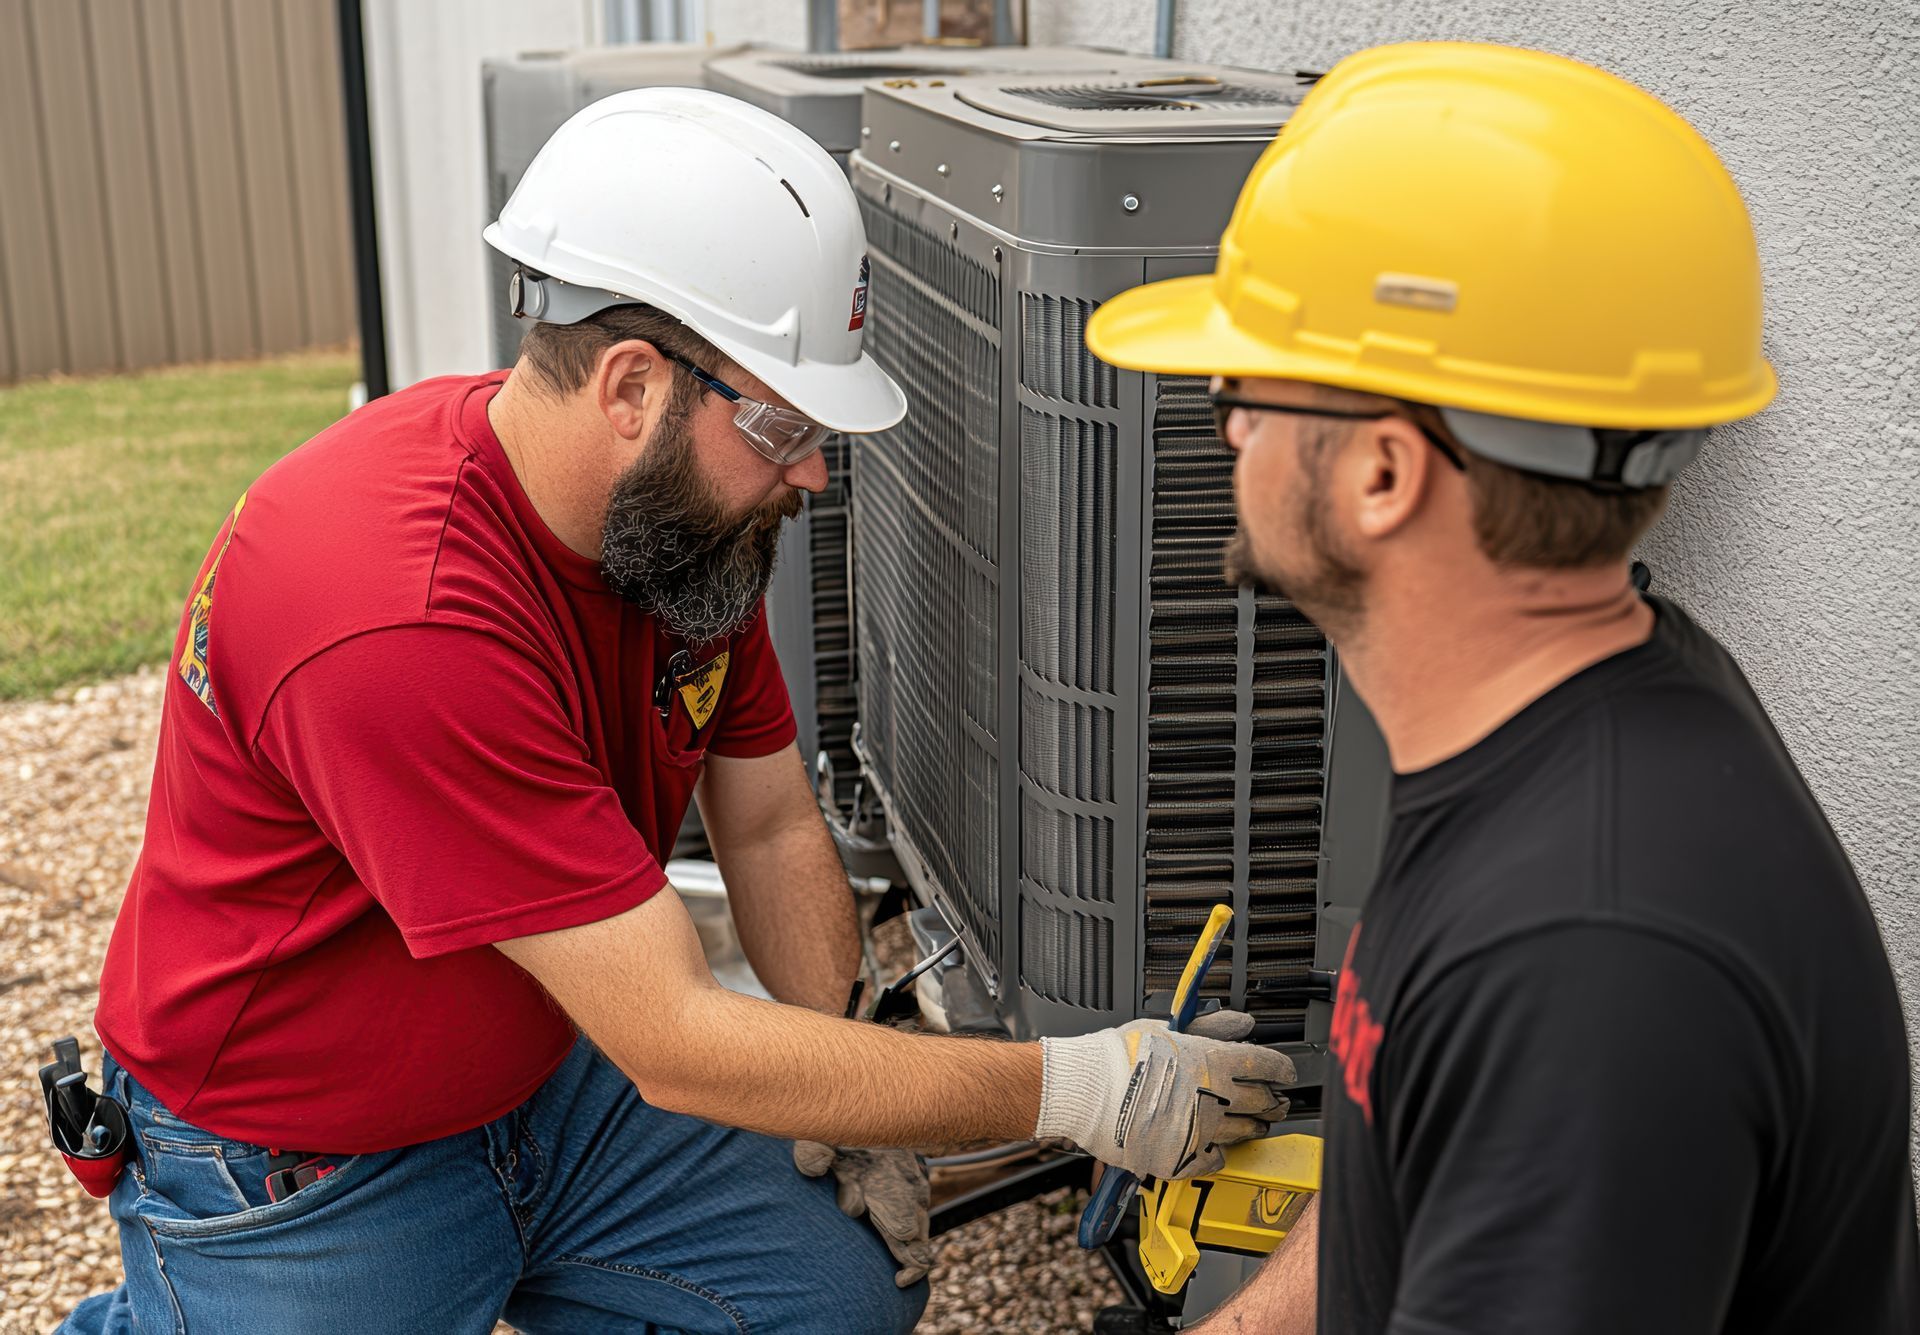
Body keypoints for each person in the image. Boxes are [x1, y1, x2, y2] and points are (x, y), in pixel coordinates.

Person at [62, 89, 1293, 1335]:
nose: (814, 471)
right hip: (308, 1154)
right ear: (632, 387)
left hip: (548, 1077)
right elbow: (677, 1038)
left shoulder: (675, 534)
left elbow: (762, 824)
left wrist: (833, 1072)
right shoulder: (398, 615)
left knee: (827, 1299)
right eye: (785, 426)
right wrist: (1081, 1090)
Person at [1086, 40, 1918, 1335]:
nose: (1225, 415)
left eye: (1246, 378)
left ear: (1382, 473)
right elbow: (1387, 1186)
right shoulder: (1573, 707)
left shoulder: (1590, 963)